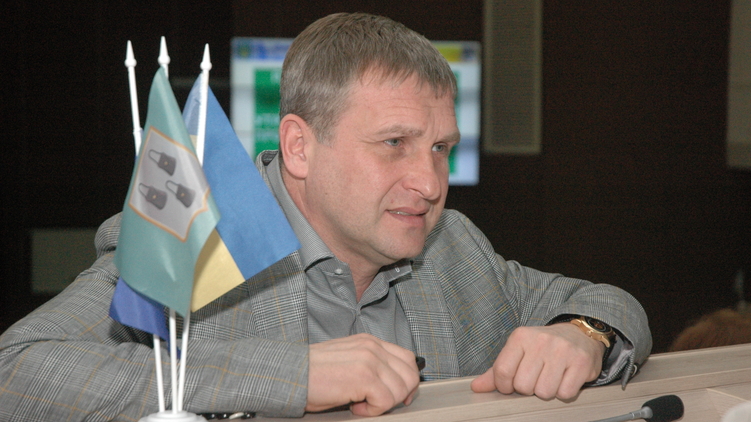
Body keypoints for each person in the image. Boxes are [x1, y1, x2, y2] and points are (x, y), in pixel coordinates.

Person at [0, 12, 651, 421]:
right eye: (393, 143)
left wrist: (583, 333)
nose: (430, 184)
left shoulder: (453, 244)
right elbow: (16, 373)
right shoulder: (194, 238)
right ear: (299, 147)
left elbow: (605, 301)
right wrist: (295, 375)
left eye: (440, 148)